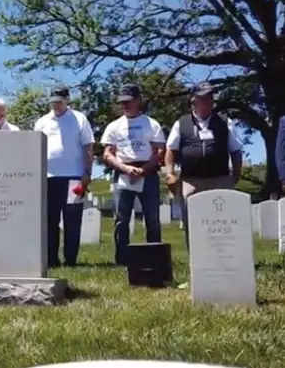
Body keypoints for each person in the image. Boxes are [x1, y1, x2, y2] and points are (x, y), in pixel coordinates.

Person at [164, 82, 242, 248]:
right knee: (192, 223)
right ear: (194, 101)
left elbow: (235, 150)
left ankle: (224, 257)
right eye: (203, 99)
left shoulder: (225, 122)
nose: (208, 102)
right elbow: (170, 150)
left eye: (210, 98)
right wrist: (170, 173)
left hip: (220, 179)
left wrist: (235, 176)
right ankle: (196, 259)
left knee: (223, 224)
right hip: (191, 181)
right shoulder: (181, 123)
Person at [100, 84, 166, 265]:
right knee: (121, 220)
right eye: (123, 103)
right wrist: (125, 168)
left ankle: (155, 258)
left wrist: (144, 170)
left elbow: (160, 151)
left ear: (138, 101)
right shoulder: (114, 126)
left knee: (152, 218)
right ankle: (122, 259)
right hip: (123, 174)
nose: (126, 106)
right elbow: (107, 153)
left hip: (148, 173)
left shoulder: (151, 124)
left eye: (129, 102)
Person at [33, 86, 94, 267]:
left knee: (72, 220)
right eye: (53, 102)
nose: (56, 106)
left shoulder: (79, 119)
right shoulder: (42, 122)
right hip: (49, 177)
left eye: (59, 102)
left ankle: (71, 259)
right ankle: (51, 259)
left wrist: (87, 172)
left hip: (74, 176)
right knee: (50, 220)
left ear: (67, 100)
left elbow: (88, 147)